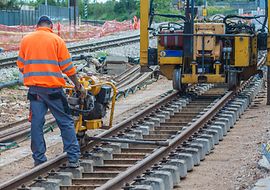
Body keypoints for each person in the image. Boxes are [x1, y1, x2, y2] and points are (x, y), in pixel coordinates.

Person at [16, 15, 84, 167]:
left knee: (36, 124)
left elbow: (21, 65)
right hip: (53, 90)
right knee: (65, 121)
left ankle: (39, 160)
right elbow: (68, 68)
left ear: (37, 26)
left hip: (35, 91)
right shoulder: (56, 40)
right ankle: (73, 157)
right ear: (51, 26)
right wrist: (78, 85)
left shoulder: (26, 40)